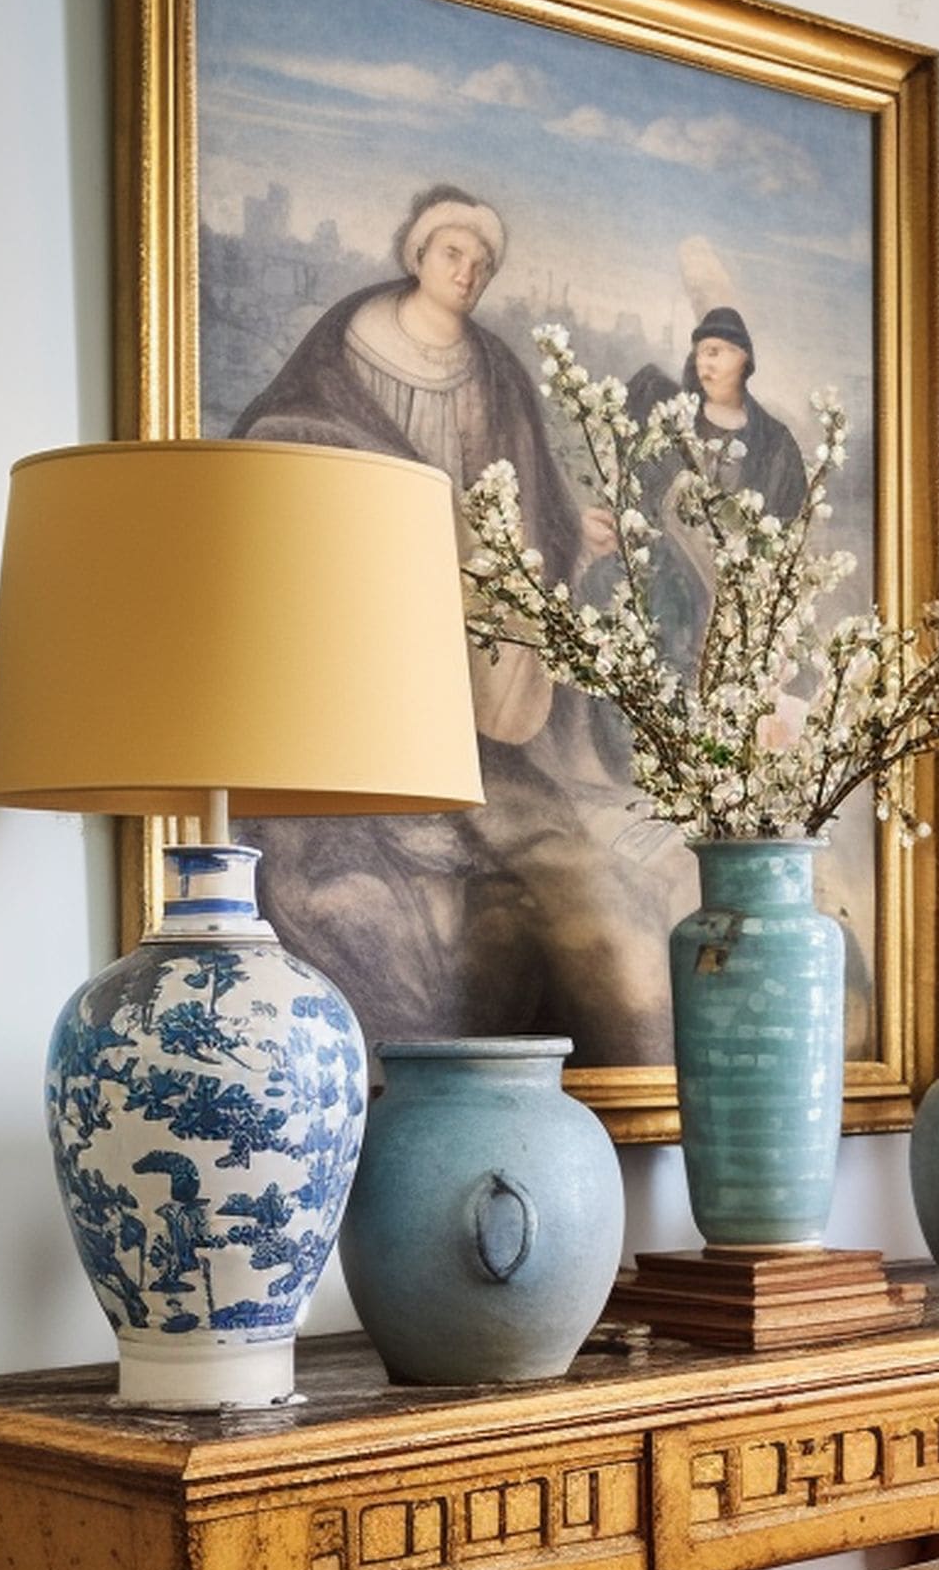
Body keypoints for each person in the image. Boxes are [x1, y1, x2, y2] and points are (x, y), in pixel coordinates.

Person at [227, 186, 687, 1062]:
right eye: (451, 255)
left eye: (481, 264)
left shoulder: (495, 366)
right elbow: (287, 435)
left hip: (467, 607)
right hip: (369, 600)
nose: (466, 273)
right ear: (415, 253)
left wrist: (567, 537)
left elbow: (528, 490)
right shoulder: (349, 339)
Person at [620, 306, 808, 679]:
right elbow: (641, 497)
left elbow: (785, 524)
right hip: (671, 577)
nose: (705, 363)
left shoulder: (774, 443)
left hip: (736, 591)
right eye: (700, 353)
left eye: (715, 352)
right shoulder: (675, 423)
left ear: (744, 357)